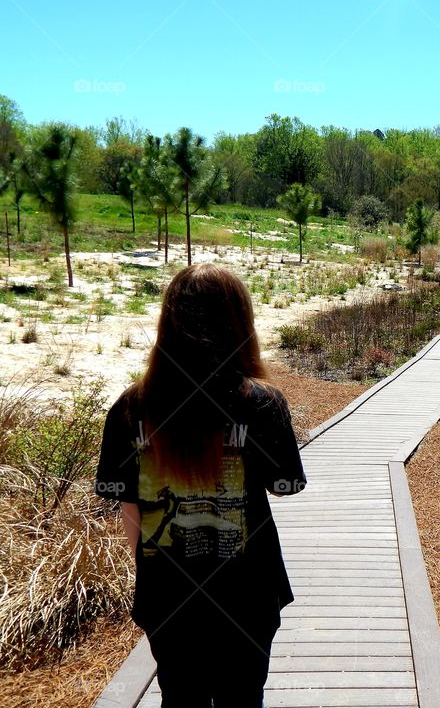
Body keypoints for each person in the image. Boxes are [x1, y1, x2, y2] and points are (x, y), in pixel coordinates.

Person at [95, 262, 306, 707]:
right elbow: (284, 485)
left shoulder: (130, 407)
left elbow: (128, 506)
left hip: (167, 591)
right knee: (243, 698)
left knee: (180, 697)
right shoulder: (260, 403)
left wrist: (150, 568)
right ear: (240, 323)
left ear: (168, 323)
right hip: (248, 590)